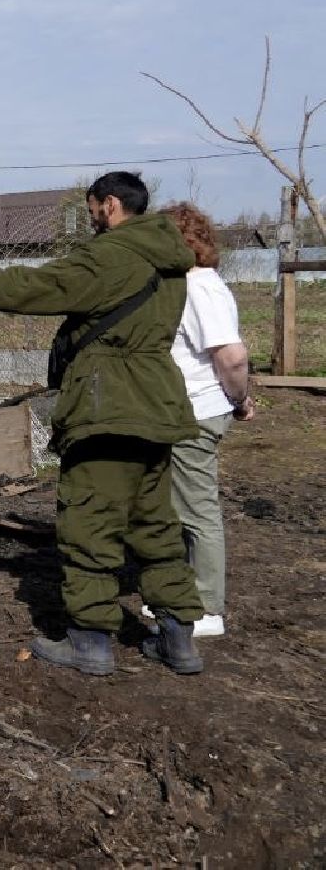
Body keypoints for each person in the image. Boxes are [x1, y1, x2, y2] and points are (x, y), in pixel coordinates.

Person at [0, 172, 206, 677]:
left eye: (90, 211)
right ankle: (178, 640)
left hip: (108, 406)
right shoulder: (169, 261)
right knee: (156, 526)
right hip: (158, 405)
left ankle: (89, 643)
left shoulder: (112, 255)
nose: (91, 221)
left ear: (109, 205)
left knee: (89, 524)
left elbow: (32, 287)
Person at [153, 202, 254, 638]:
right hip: (180, 411)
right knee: (176, 508)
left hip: (198, 410)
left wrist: (240, 398)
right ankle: (180, 595)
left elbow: (231, 357)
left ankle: (207, 609)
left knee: (197, 511)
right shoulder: (181, 284)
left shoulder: (200, 287)